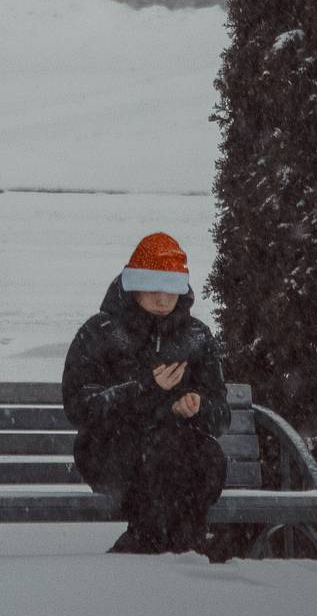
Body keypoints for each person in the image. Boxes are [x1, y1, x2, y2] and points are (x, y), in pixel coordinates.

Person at [62, 231, 231, 554]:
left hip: (180, 453)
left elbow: (220, 416)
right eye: (153, 288)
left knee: (205, 459)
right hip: (110, 449)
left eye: (170, 289)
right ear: (134, 285)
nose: (163, 299)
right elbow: (80, 407)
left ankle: (151, 553)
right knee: (161, 458)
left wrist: (198, 407)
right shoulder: (100, 332)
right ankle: (180, 556)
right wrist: (143, 389)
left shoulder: (197, 337)